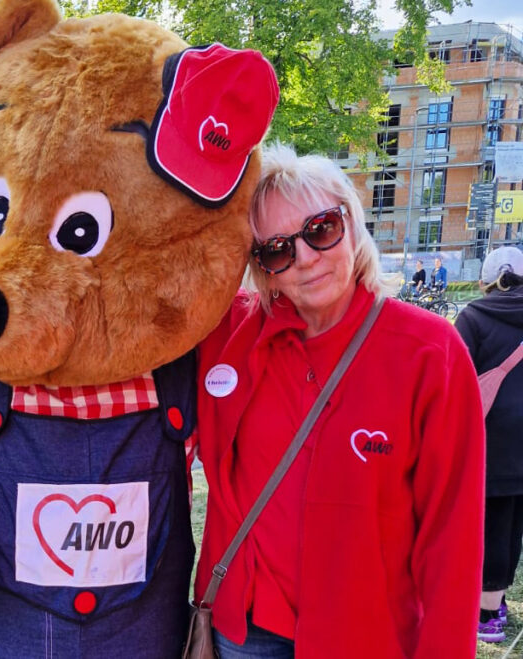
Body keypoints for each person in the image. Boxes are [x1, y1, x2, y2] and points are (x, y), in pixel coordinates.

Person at [194, 144, 485, 658]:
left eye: (321, 229)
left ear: (351, 223)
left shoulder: (429, 352)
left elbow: (452, 537)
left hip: (365, 637)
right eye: (278, 249)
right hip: (243, 631)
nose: (306, 258)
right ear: (261, 267)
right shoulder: (227, 334)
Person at [455, 245, 523, 644]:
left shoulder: (474, 316)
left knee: (488, 525)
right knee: (512, 524)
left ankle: (485, 614)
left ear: (488, 280)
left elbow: (454, 378)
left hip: (488, 438)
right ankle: (496, 603)